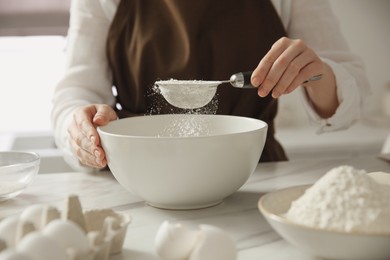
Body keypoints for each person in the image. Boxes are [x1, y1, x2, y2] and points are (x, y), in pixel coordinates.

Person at [51, 0, 370, 172]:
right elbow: (77, 91)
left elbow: (353, 92)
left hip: (252, 174)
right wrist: (79, 126)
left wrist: (319, 74)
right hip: (140, 176)